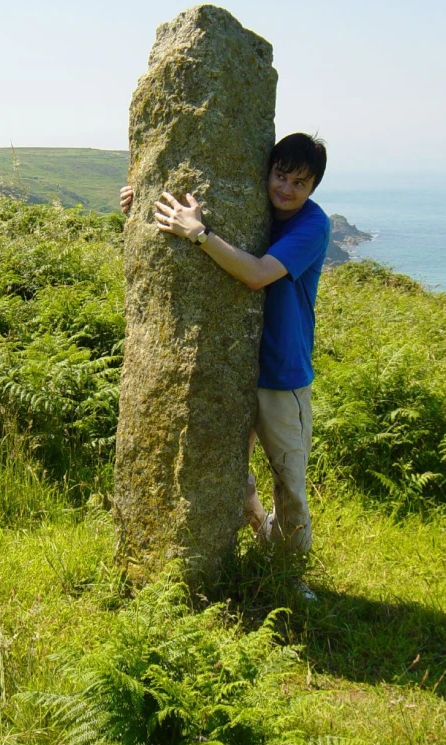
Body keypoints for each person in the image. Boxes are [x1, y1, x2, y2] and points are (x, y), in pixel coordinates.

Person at [121, 132, 329, 598]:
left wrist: (198, 233)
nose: (287, 189)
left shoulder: (312, 227)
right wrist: (144, 199)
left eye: (300, 182)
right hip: (231, 365)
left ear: (313, 188)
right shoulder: (255, 206)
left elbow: (256, 275)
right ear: (268, 170)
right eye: (281, 175)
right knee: (224, 471)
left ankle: (288, 575)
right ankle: (261, 534)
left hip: (282, 373)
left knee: (289, 481)